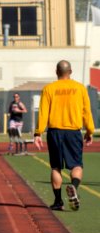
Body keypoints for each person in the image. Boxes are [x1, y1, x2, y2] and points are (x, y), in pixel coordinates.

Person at [34, 60, 94, 211]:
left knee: (56, 167)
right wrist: (90, 130)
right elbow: (86, 111)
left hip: (55, 132)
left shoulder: (49, 88)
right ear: (71, 71)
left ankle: (58, 201)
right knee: (77, 165)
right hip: (73, 132)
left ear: (56, 71)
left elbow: (43, 113)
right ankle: (73, 186)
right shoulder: (79, 88)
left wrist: (38, 132)